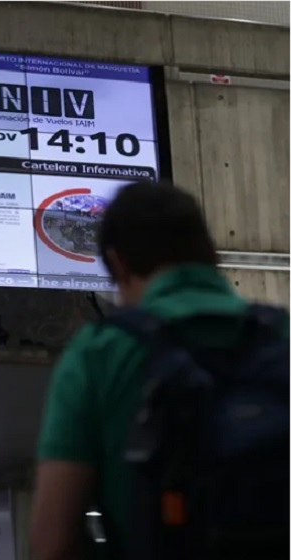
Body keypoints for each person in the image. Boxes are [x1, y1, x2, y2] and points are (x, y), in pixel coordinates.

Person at [29, 179, 288, 560]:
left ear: (119, 263)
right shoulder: (281, 335)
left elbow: (53, 543)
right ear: (211, 255)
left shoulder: (100, 352)